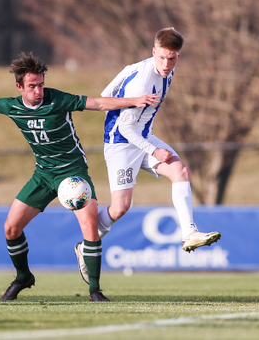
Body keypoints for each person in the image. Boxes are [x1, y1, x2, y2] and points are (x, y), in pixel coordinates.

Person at [0, 52, 159, 301]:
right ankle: (23, 277)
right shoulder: (13, 106)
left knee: (90, 226)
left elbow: (98, 103)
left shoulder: (57, 100)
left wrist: (135, 100)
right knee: (11, 228)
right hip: (44, 174)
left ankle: (94, 291)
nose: (38, 90)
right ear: (19, 87)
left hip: (73, 173)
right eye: (32, 86)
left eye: (41, 85)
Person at [74, 28, 221, 284]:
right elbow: (123, 126)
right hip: (122, 142)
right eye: (162, 57)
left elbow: (107, 93)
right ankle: (85, 246)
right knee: (120, 207)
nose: (166, 64)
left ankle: (189, 234)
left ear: (178, 57)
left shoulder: (161, 69)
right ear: (154, 52)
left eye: (172, 58)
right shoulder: (143, 78)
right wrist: (153, 148)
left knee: (180, 171)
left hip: (143, 135)